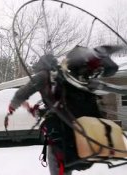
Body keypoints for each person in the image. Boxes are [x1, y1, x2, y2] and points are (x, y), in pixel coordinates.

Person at [8, 45, 124, 175]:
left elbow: (22, 93)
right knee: (68, 159)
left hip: (61, 129)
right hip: (77, 126)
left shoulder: (43, 76)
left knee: (59, 163)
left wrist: (12, 106)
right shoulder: (66, 78)